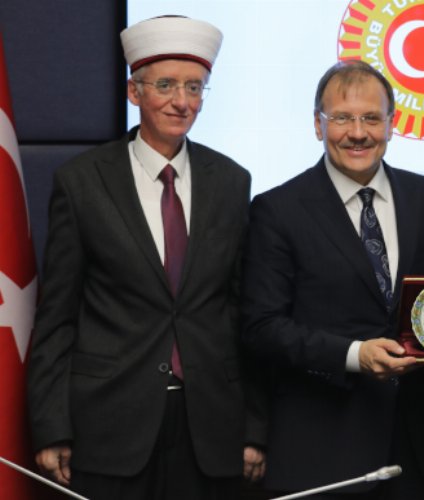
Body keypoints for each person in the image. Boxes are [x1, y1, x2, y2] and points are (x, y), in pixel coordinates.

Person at [26, 15, 266, 499]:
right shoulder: (82, 181)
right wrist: (52, 426)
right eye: (166, 85)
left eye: (194, 87)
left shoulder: (231, 181)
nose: (182, 101)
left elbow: (244, 314)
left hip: (210, 428)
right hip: (109, 425)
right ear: (134, 92)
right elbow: (57, 316)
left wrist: (254, 427)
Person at [241, 60, 424, 499]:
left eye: (371, 118)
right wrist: (355, 355)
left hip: (417, 448)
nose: (357, 133)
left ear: (391, 124)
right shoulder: (278, 209)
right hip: (322, 447)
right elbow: (261, 327)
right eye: (341, 118)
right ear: (317, 125)